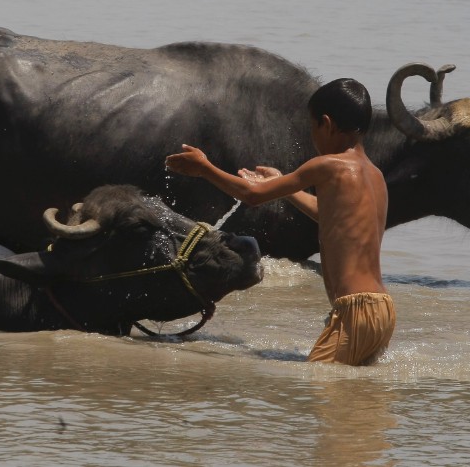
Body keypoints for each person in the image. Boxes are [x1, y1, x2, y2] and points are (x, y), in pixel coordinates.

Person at [164, 78, 395, 365]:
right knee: (355, 401)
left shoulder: (328, 165)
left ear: (327, 124)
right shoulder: (375, 176)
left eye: (312, 129)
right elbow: (330, 216)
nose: (314, 138)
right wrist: (282, 185)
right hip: (381, 309)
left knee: (323, 392)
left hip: (355, 309)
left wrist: (205, 168)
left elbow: (252, 195)